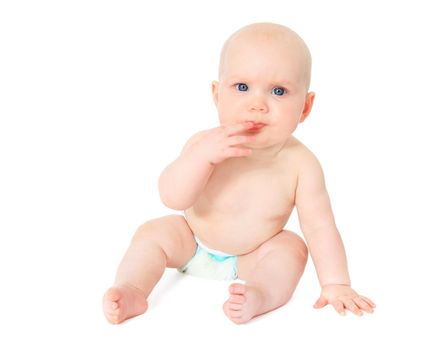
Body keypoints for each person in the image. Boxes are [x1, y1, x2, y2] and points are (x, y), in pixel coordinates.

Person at [103, 22, 375, 325]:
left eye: (279, 91)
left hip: (253, 255)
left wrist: (336, 283)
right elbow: (172, 197)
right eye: (242, 87)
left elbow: (320, 227)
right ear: (218, 95)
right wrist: (202, 159)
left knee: (292, 248)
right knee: (154, 232)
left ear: (306, 107)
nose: (257, 105)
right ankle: (132, 289)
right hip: (191, 241)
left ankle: (260, 295)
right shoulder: (204, 144)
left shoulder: (302, 165)